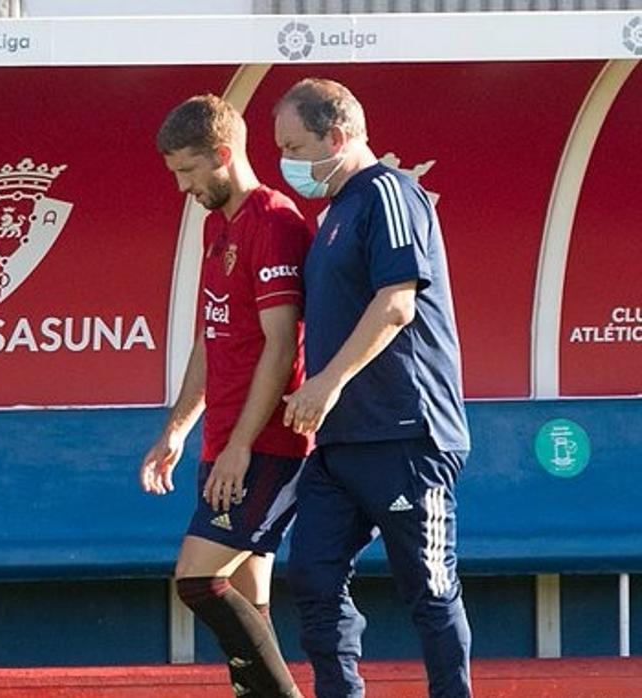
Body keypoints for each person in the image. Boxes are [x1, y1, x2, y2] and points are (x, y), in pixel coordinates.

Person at [273, 78, 472, 698]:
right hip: (338, 442)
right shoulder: (334, 211)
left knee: (430, 588)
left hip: (404, 432)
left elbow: (396, 304)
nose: (288, 163)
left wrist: (325, 383)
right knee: (312, 575)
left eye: (294, 145)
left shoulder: (389, 192)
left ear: (335, 136)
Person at [142, 94, 311, 698]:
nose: (182, 186)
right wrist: (178, 430)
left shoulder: (275, 220)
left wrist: (240, 446)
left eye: (188, 170)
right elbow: (212, 338)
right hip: (226, 441)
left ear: (222, 153)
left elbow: (281, 346)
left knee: (196, 581)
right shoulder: (219, 224)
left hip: (266, 443)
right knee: (248, 602)